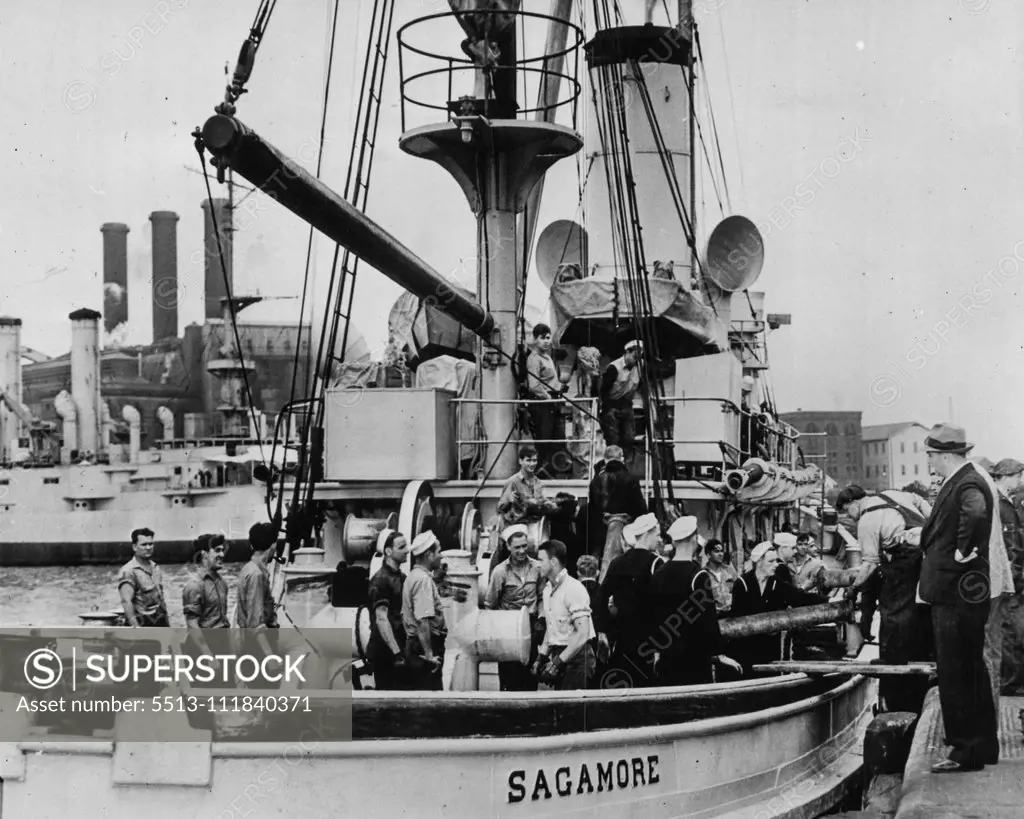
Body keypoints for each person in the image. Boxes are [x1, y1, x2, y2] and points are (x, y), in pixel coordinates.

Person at [918, 424, 1005, 773]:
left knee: (955, 670)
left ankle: (964, 750)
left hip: (955, 592)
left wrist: (962, 550)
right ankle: (983, 745)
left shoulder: (965, 481)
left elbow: (976, 511)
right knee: (971, 667)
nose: (928, 460)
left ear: (944, 455)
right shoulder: (966, 477)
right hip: (964, 591)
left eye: (930, 455)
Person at [836, 484, 933, 711]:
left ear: (853, 503)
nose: (847, 516)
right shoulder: (892, 494)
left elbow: (869, 564)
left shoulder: (866, 521)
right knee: (916, 606)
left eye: (846, 511)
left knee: (892, 608)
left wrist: (854, 587)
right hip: (927, 551)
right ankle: (918, 651)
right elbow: (919, 502)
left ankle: (893, 657)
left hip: (906, 557)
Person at [647, 516, 742, 685]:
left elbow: (653, 616)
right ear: (694, 539)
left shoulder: (659, 574)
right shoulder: (698, 575)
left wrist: (656, 652)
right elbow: (708, 618)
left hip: (667, 655)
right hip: (695, 656)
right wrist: (719, 654)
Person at [729, 542, 824, 673]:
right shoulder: (742, 584)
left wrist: (829, 601)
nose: (776, 565)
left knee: (769, 676)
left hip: (769, 646)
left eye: (776, 561)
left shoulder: (776, 583)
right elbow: (737, 617)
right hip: (746, 646)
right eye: (771, 561)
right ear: (759, 562)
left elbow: (799, 597)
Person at [599, 512, 663, 686]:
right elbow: (661, 606)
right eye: (657, 535)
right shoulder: (656, 564)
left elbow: (601, 597)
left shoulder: (617, 563)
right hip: (649, 641)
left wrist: (605, 630)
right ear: (647, 534)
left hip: (622, 638)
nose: (659, 540)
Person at [483, 524, 545, 691]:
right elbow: (490, 604)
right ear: (508, 547)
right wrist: (496, 632)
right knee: (509, 676)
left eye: (524, 546)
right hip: (508, 630)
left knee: (531, 675)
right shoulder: (500, 572)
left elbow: (541, 597)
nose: (522, 551)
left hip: (531, 627)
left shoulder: (538, 568)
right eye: (517, 547)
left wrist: (541, 618)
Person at [533, 539, 596, 689]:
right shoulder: (548, 590)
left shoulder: (573, 589)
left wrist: (557, 662)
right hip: (561, 655)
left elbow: (583, 634)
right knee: (561, 709)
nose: (537, 565)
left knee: (573, 711)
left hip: (579, 660)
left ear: (553, 562)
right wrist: (541, 656)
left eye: (541, 560)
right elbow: (552, 626)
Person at [587, 444, 647, 581]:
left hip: (600, 531)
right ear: (622, 459)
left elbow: (593, 510)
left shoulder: (595, 481)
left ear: (605, 460)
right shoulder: (630, 479)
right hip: (624, 532)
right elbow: (639, 508)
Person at [991, 458, 1024, 694]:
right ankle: (1010, 685)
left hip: (1011, 579)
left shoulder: (1004, 503)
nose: (1020, 481)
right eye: (1017, 476)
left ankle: (1011, 682)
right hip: (1011, 582)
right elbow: (1010, 548)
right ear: (1008, 476)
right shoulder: (1002, 506)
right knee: (1012, 633)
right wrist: (1015, 580)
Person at [402, 531, 447, 691]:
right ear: (429, 554)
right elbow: (423, 620)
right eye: (438, 552)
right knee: (429, 699)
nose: (441, 556)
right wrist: (429, 655)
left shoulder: (413, 576)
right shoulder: (423, 580)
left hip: (416, 645)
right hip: (425, 647)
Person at [366, 530, 410, 691]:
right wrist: (397, 652)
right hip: (386, 653)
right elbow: (381, 619)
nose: (407, 550)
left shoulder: (402, 577)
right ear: (388, 551)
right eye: (402, 547)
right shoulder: (381, 580)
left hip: (397, 649)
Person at [524, 323, 563, 477]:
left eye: (548, 338)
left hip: (552, 401)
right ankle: (538, 472)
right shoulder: (533, 359)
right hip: (542, 403)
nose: (546, 341)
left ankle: (550, 471)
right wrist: (548, 397)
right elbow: (534, 386)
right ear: (535, 339)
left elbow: (552, 379)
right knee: (544, 439)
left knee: (557, 439)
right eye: (543, 338)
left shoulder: (547, 357)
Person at [599, 339, 642, 463]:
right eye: (634, 356)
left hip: (627, 405)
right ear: (627, 352)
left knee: (629, 437)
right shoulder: (614, 368)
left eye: (638, 358)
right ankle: (613, 464)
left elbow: (640, 385)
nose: (636, 360)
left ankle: (626, 465)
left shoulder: (640, 367)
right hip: (612, 406)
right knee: (613, 439)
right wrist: (605, 409)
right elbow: (604, 389)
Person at [116, 527, 169, 627]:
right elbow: (126, 602)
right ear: (134, 547)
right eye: (144, 544)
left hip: (159, 624)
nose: (148, 547)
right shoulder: (128, 571)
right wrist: (137, 629)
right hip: (142, 624)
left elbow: (161, 600)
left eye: (151, 544)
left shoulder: (155, 568)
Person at [703, 539, 737, 615]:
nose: (721, 554)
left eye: (721, 551)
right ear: (708, 555)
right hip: (713, 616)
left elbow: (738, 590)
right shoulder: (703, 574)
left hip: (732, 614)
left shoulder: (730, 570)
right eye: (716, 551)